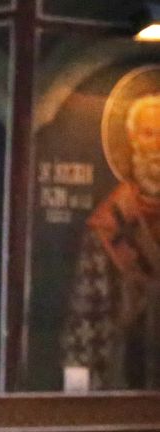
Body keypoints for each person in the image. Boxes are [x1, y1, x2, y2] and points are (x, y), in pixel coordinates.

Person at [60, 92, 160, 390]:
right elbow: (87, 314)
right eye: (149, 134)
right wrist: (76, 390)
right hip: (126, 374)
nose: (157, 144)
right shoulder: (111, 222)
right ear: (132, 142)